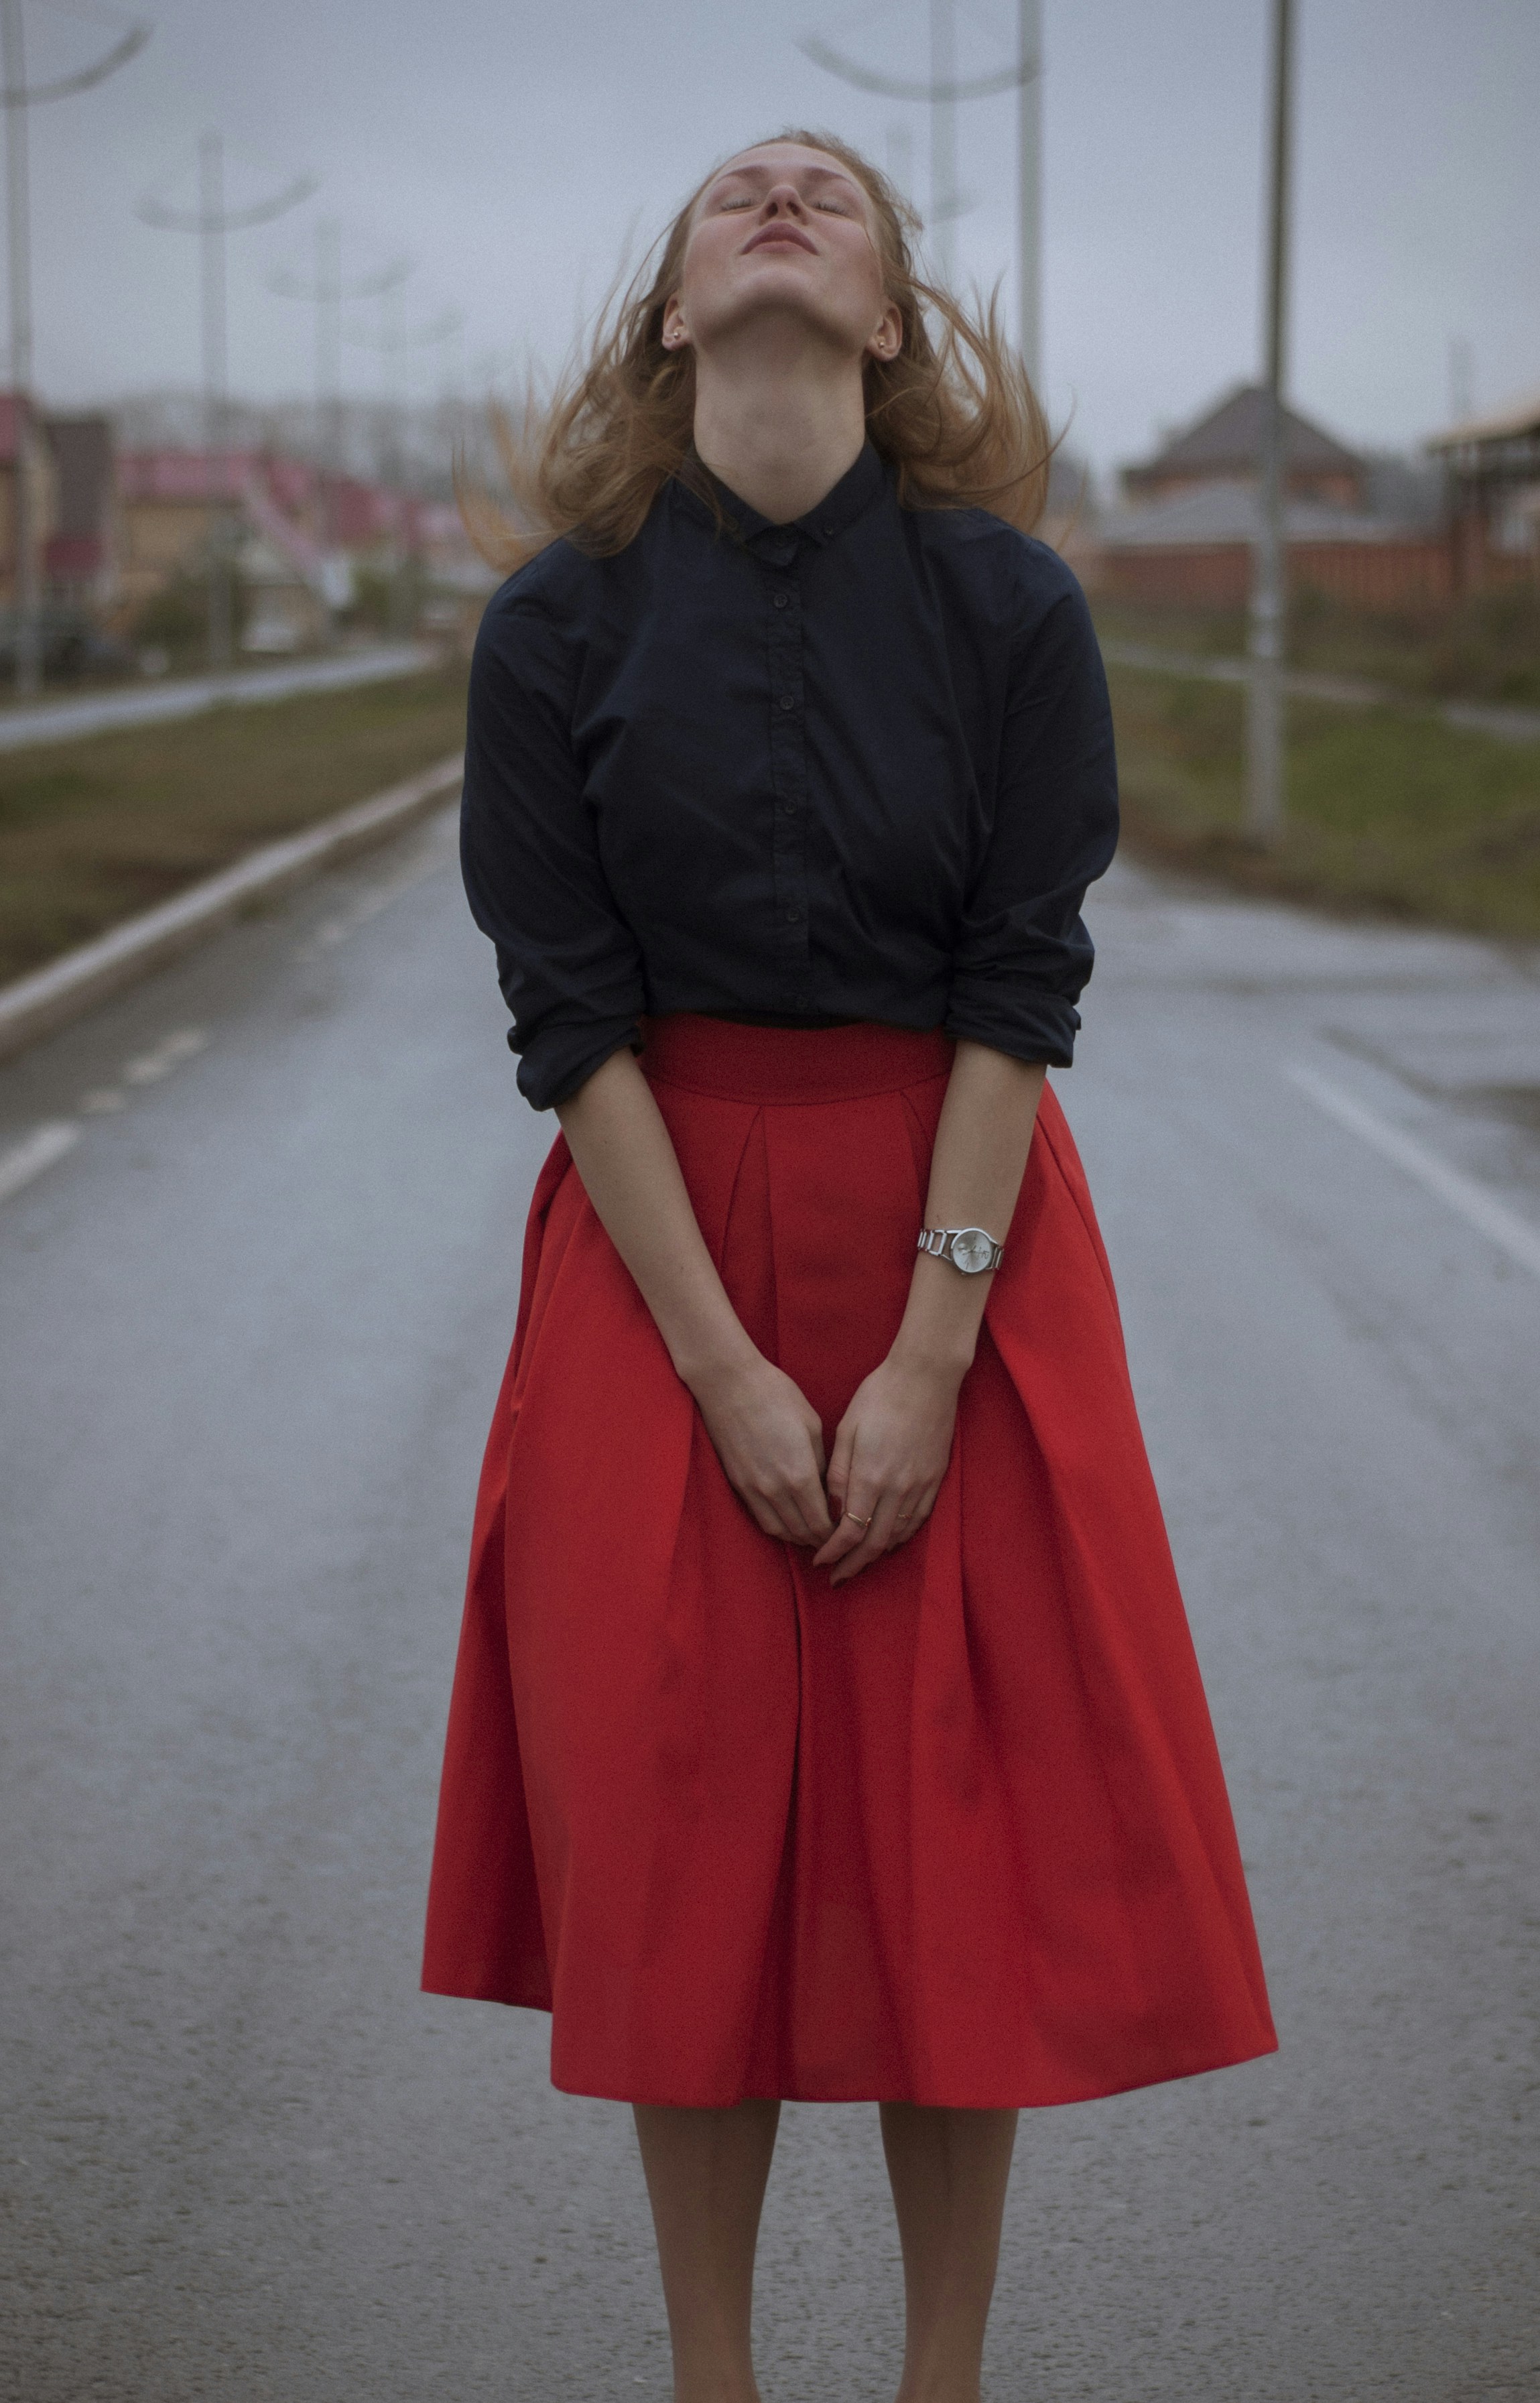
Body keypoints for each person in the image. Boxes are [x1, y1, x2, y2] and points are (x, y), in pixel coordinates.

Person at [424, 129, 1275, 2403]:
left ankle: (941, 2377)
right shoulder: (551, 627)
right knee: (678, 1812)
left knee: (941, 1826)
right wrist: (717, 1367)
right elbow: (568, 1019)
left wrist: (924, 1354)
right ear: (673, 314)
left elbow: (1021, 979)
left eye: (829, 190)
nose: (781, 194)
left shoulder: (1010, 608)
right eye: (733, 193)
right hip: (656, 1247)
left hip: (954, 1230)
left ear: (887, 315)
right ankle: (711, 2374)